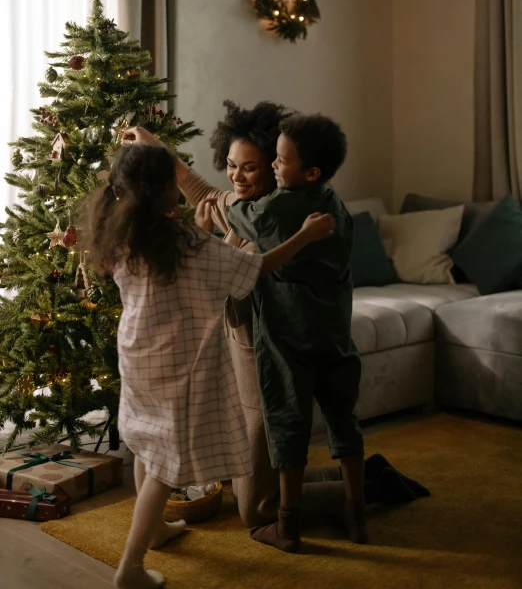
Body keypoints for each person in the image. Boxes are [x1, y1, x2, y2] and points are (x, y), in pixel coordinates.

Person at [121, 106, 429, 534]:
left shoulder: (276, 212)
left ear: (279, 170)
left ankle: (369, 486)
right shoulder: (261, 208)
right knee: (249, 481)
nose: (237, 176)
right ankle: (360, 478)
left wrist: (165, 159)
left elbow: (214, 208)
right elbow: (212, 208)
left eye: (252, 167)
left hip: (268, 352)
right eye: (231, 165)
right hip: (248, 349)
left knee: (257, 508)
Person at [82, 143, 335, 589]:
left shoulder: (121, 232)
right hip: (179, 361)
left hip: (138, 353)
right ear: (164, 191)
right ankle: (130, 568)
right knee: (164, 462)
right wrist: (305, 236)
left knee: (146, 444)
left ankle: (155, 529)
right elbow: (254, 269)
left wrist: (206, 233)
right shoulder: (184, 242)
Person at [226, 113, 365, 553]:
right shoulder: (334, 202)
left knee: (288, 425)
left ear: (310, 172)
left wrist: (225, 203)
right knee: (345, 425)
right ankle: (356, 515)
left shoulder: (280, 207)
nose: (271, 168)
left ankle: (288, 525)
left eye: (279, 161)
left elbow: (237, 210)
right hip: (337, 335)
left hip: (290, 338)